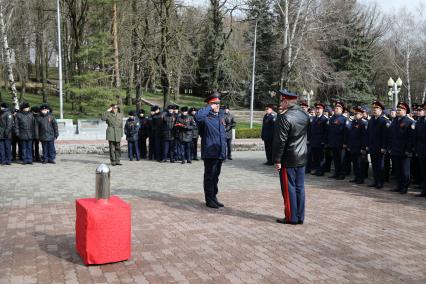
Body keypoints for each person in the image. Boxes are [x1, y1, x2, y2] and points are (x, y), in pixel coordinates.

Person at [272, 89, 309, 225]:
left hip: (289, 158)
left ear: (286, 101)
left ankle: (291, 217)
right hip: (302, 156)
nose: (280, 103)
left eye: (282, 100)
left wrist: (277, 160)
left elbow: (280, 141)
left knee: (289, 189)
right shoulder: (304, 115)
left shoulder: (284, 117)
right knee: (300, 187)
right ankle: (300, 216)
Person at [195, 92, 227, 209]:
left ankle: (214, 197)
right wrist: (209, 107)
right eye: (214, 103)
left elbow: (223, 134)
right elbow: (197, 116)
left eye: (218, 103)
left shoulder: (220, 116)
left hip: (219, 152)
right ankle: (209, 199)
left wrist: (224, 151)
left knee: (216, 176)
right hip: (210, 152)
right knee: (209, 176)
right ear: (209, 104)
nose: (217, 105)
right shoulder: (205, 118)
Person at [388, 102, 415, 194]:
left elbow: (410, 138)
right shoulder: (395, 120)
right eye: (397, 109)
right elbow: (391, 135)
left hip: (404, 150)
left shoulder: (409, 121)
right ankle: (399, 185)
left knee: (405, 170)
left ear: (405, 110)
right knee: (398, 170)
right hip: (395, 149)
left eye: (400, 110)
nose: (397, 111)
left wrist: (408, 150)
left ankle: (405, 187)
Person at [366, 101, 389, 189]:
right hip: (372, 146)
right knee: (374, 165)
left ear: (381, 110)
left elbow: (385, 136)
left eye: (376, 109)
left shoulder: (383, 121)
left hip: (380, 147)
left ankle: (380, 182)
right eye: (373, 109)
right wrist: (367, 144)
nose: (374, 110)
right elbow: (368, 134)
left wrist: (384, 147)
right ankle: (375, 181)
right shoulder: (371, 120)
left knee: (380, 166)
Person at [326, 101, 348, 180]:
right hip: (333, 142)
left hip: (341, 143)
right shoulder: (332, 119)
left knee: (341, 159)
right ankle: (336, 173)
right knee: (335, 159)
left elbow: (346, 132)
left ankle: (342, 174)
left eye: (338, 108)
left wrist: (345, 142)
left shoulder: (344, 119)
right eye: (335, 108)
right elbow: (329, 131)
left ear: (342, 110)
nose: (336, 109)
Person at [347, 106, 368, 184]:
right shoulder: (353, 122)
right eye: (354, 113)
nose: (355, 115)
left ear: (362, 114)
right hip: (353, 146)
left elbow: (364, 137)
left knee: (360, 164)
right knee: (355, 163)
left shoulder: (363, 123)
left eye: (357, 113)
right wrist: (349, 145)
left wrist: (363, 148)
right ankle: (356, 177)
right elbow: (351, 135)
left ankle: (361, 178)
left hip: (359, 147)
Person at [309, 102, 328, 176]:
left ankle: (321, 171)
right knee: (315, 157)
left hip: (321, 142)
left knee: (321, 157)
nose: (317, 110)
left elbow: (326, 132)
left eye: (319, 109)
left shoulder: (324, 119)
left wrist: (324, 141)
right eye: (316, 109)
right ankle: (317, 169)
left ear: (322, 110)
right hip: (314, 141)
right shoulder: (314, 118)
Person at [414, 103, 426, 197]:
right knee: (423, 171)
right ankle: (424, 191)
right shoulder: (420, 121)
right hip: (422, 150)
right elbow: (417, 137)